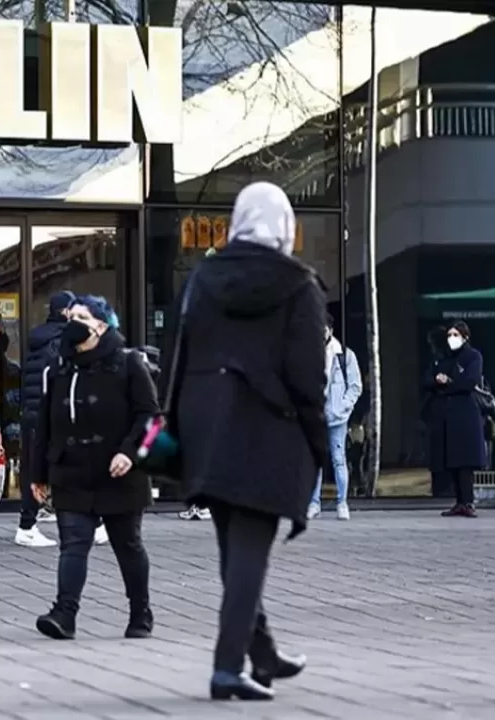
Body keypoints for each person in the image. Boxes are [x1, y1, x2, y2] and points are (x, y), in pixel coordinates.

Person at [164, 182, 320, 701]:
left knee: (235, 549)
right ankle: (227, 667)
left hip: (207, 424)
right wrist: (318, 445)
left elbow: (181, 354)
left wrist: (177, 423)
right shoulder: (299, 285)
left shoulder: (204, 277)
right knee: (250, 553)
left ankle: (263, 652)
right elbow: (307, 378)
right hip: (269, 430)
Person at [30, 296, 159, 641]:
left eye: (82, 318)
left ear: (101, 327)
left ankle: (140, 611)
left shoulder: (129, 364)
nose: (73, 322)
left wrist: (130, 453)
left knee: (127, 544)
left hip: (119, 473)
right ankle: (64, 613)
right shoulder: (59, 368)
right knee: (73, 542)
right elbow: (43, 423)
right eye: (70, 316)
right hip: (71, 471)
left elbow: (151, 418)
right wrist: (38, 472)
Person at [16, 291, 76, 548]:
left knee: (37, 468)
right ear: (65, 312)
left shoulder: (39, 339)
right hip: (49, 413)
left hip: (32, 412)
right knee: (60, 467)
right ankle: (27, 526)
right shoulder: (60, 340)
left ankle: (28, 525)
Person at [424, 321, 487, 518]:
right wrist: (437, 381)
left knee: (465, 460)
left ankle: (468, 502)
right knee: (451, 459)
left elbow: (469, 382)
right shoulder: (444, 357)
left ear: (465, 337)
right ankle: (459, 502)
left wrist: (447, 385)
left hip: (465, 415)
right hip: (446, 415)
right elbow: (427, 379)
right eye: (449, 334)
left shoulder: (473, 356)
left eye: (455, 334)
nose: (451, 338)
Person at [309, 314, 362, 521]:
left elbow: (355, 386)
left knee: (339, 460)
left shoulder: (344, 355)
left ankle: (342, 502)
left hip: (337, 416)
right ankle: (314, 503)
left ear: (331, 330)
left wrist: (344, 407)